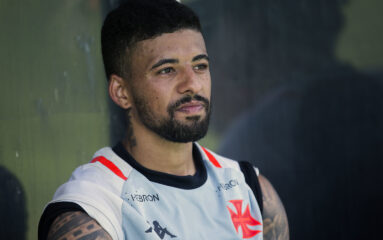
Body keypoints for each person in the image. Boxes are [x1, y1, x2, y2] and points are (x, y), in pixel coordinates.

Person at [38, 0, 288, 239]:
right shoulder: (93, 208)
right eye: (167, 70)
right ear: (121, 92)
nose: (192, 84)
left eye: (200, 65)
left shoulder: (251, 190)